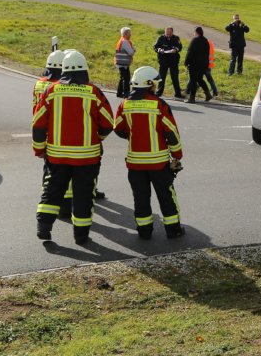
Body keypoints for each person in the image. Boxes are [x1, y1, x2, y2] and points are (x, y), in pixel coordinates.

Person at [32, 50, 115, 245]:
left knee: (52, 191)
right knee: (84, 196)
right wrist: (97, 138)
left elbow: (38, 123)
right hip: (87, 158)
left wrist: (39, 149)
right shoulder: (93, 92)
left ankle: (43, 228)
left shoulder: (51, 91)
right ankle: (81, 236)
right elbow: (108, 123)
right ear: (85, 69)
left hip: (56, 156)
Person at [113, 65, 185, 239]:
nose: (156, 86)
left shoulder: (125, 104)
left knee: (141, 198)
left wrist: (133, 137)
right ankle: (173, 230)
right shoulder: (158, 104)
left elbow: (117, 128)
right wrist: (177, 155)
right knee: (166, 196)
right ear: (149, 84)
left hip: (135, 162)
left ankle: (144, 232)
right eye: (155, 83)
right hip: (158, 163)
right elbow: (171, 132)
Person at [152, 27, 183, 99]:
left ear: (172, 32)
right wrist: (159, 50)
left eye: (169, 33)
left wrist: (175, 50)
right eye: (166, 33)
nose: (168, 35)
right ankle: (159, 93)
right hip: (163, 60)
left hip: (173, 61)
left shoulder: (176, 38)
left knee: (175, 77)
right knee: (162, 77)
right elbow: (155, 47)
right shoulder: (160, 38)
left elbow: (180, 47)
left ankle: (178, 93)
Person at [184, 26, 213, 102]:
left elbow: (190, 52)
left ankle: (192, 98)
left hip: (195, 64)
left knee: (193, 80)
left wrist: (186, 62)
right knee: (200, 79)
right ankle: (208, 94)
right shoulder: (205, 41)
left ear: (196, 32)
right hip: (204, 64)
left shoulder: (195, 40)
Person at [113, 26, 135, 98]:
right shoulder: (125, 42)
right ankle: (126, 94)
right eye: (129, 33)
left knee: (122, 78)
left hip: (120, 62)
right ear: (125, 34)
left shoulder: (121, 40)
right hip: (123, 63)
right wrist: (134, 49)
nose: (130, 35)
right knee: (126, 79)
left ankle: (119, 93)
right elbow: (131, 52)